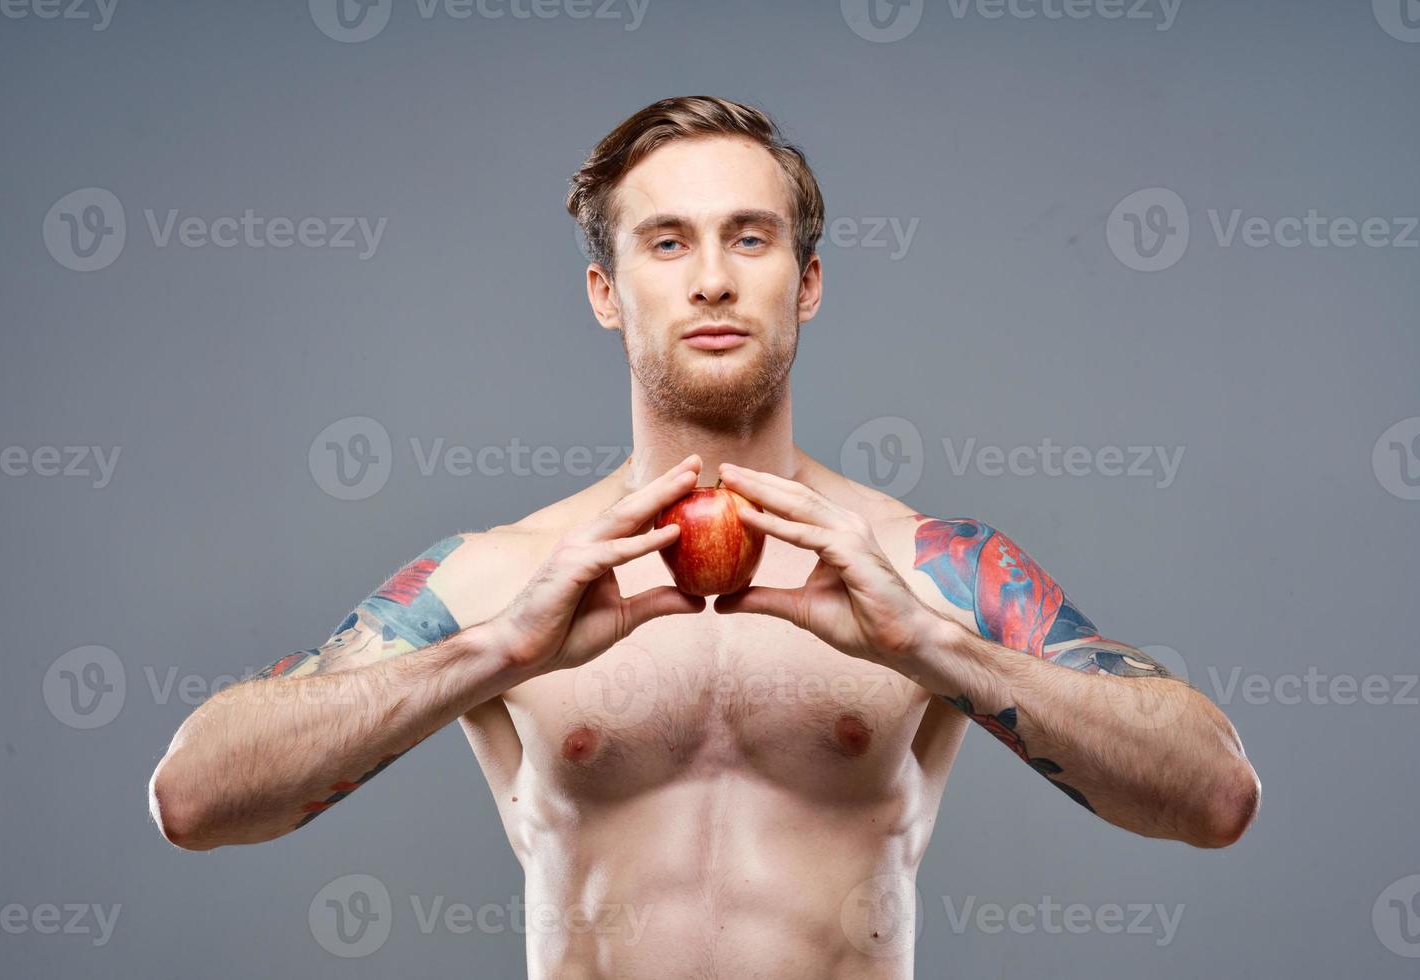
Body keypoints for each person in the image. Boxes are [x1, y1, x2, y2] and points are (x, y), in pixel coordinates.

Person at [148, 95, 1260, 979]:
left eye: (751, 237)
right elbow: (193, 799)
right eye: (667, 242)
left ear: (807, 282)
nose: (715, 277)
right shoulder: (499, 577)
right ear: (605, 290)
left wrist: (928, 646)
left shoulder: (924, 567)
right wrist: (499, 652)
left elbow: (1215, 795)